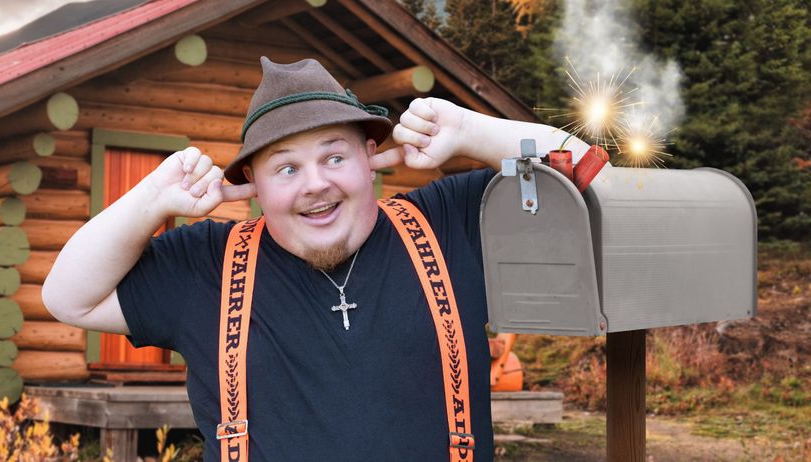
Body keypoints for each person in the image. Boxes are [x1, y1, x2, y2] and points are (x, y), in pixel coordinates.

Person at [42, 57, 589, 461]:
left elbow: (590, 181)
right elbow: (67, 298)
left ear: (370, 157)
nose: (315, 185)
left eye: (334, 156)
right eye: (286, 168)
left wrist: (470, 131)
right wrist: (152, 199)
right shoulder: (207, 265)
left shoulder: (449, 223)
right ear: (252, 182)